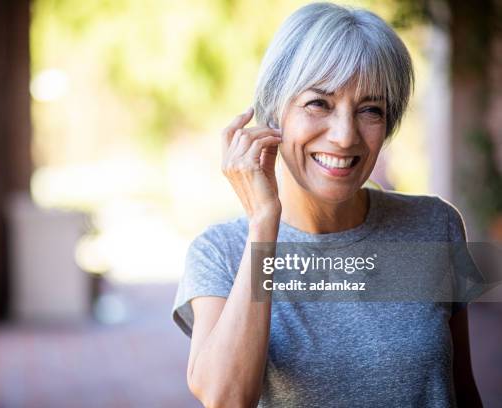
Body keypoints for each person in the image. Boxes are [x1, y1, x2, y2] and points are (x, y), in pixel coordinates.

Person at [172, 2, 483, 407]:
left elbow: (462, 390)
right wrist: (265, 224)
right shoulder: (220, 252)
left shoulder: (435, 225)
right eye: (318, 103)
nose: (343, 136)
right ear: (273, 112)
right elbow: (227, 399)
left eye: (370, 109)